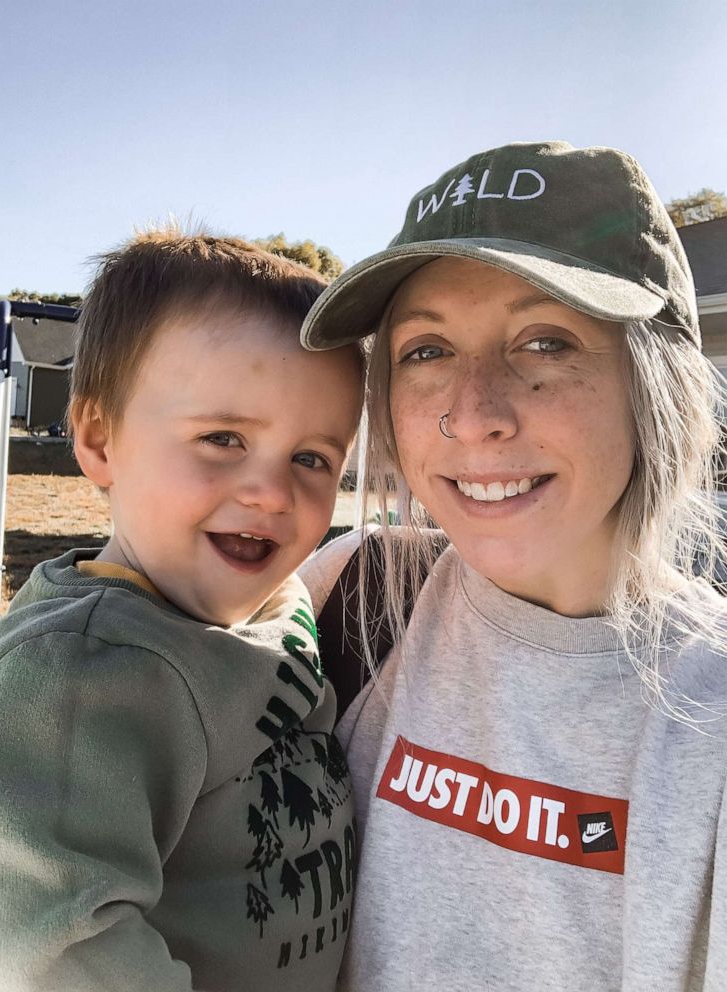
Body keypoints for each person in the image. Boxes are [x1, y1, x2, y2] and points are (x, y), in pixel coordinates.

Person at [298, 141, 727, 991]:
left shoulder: (707, 711)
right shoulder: (345, 596)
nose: (474, 413)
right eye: (426, 351)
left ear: (659, 380)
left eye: (544, 342)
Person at [0, 229, 363, 992]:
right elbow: (44, 947)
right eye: (222, 438)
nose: (273, 492)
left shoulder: (276, 597)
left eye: (313, 458)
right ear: (98, 438)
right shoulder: (82, 672)